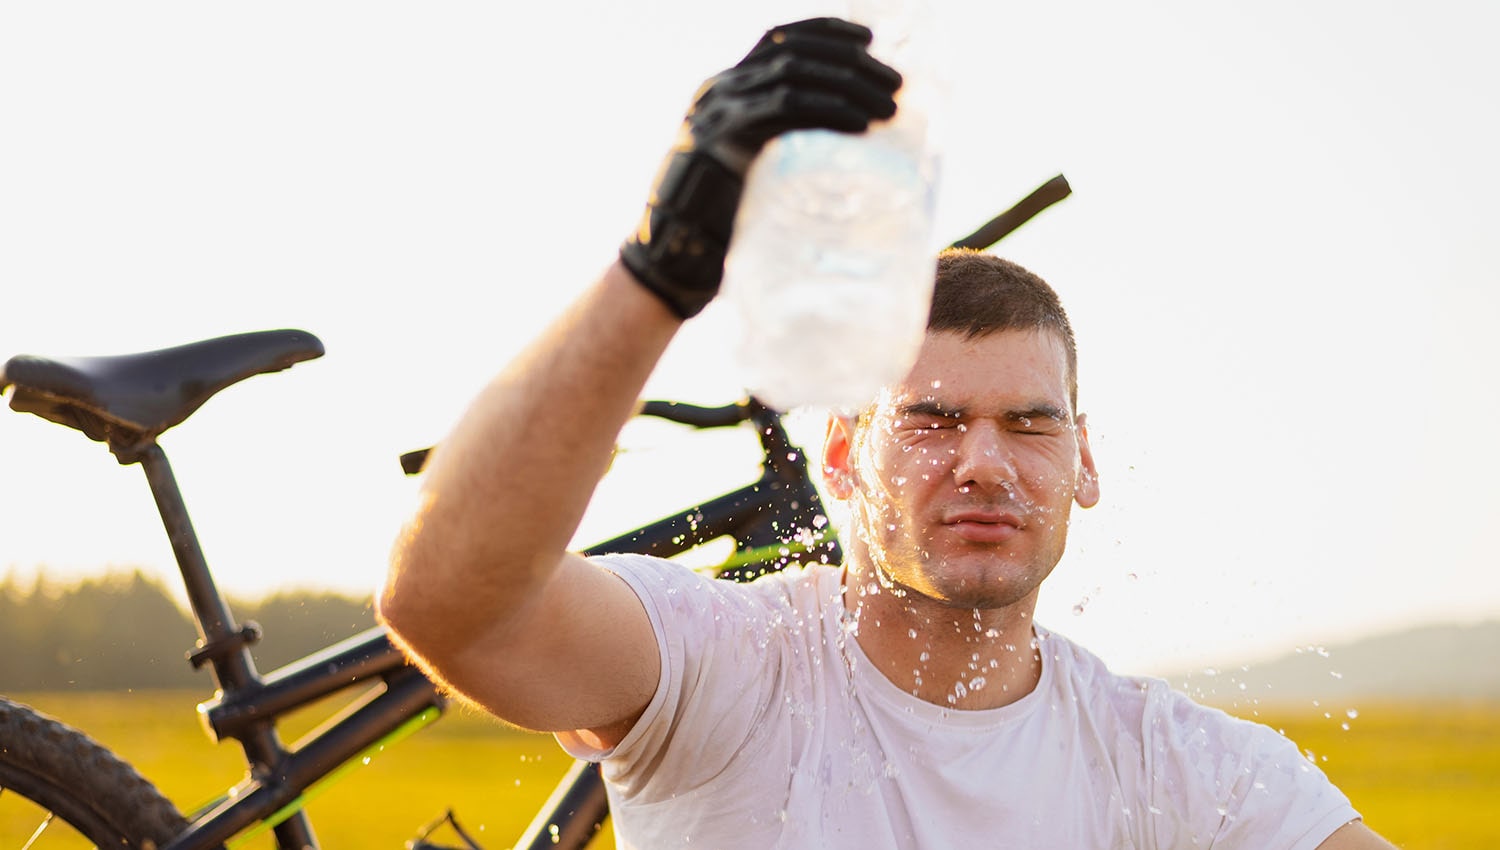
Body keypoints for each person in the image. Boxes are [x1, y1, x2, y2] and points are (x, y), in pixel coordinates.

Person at [377, 17, 1395, 850]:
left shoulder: (1173, 765)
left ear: (1084, 462)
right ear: (840, 456)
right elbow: (450, 607)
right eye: (934, 419)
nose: (984, 462)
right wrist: (660, 270)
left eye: (1029, 424)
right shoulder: (727, 663)